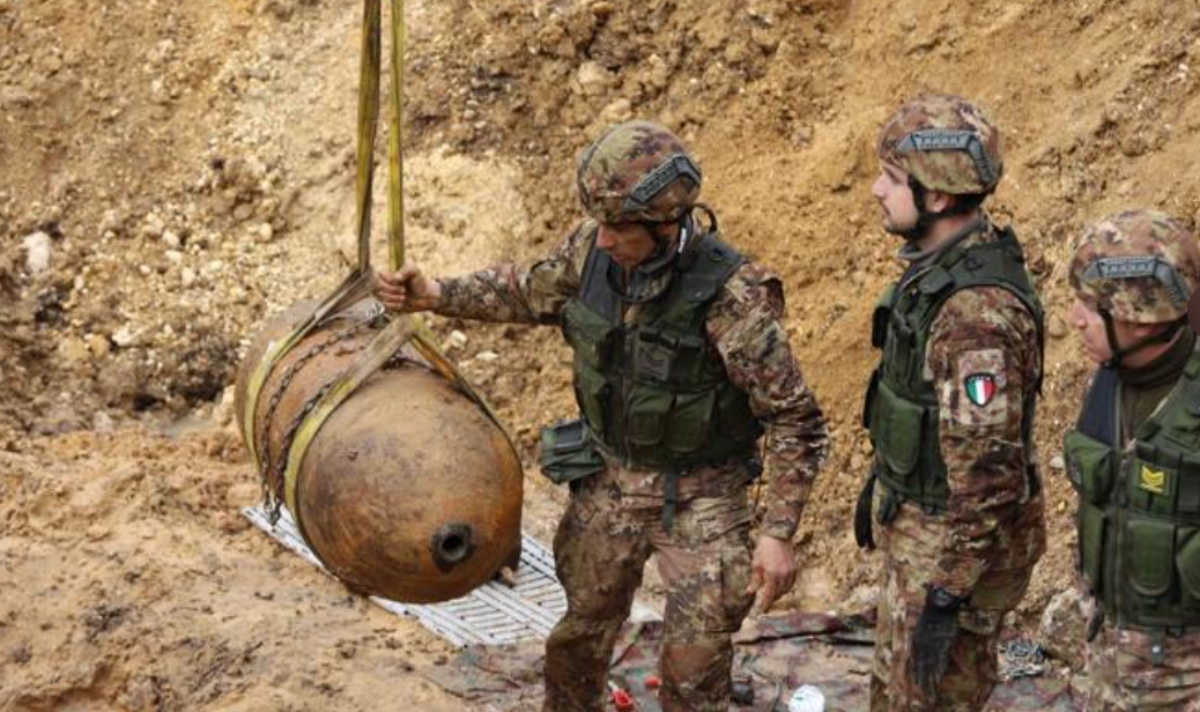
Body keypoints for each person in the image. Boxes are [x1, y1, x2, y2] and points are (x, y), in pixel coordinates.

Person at [375, 120, 829, 711]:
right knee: (576, 641)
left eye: (619, 228)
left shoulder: (730, 297)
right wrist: (436, 294)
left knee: (694, 673)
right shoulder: (593, 249)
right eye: (601, 224)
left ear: (666, 224)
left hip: (702, 500)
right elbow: (529, 290)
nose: (605, 239)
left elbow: (795, 418)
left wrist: (777, 534)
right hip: (608, 482)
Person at [855, 94, 1047, 711]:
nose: (877, 190)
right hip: (926, 534)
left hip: (954, 551)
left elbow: (988, 479)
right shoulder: (941, 265)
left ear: (936, 197)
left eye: (891, 178)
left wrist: (946, 597)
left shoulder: (974, 320)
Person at [1062, 209, 1200, 710]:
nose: (1073, 319)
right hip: (1108, 670)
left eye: (1089, 306)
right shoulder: (1109, 381)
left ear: (1141, 318)